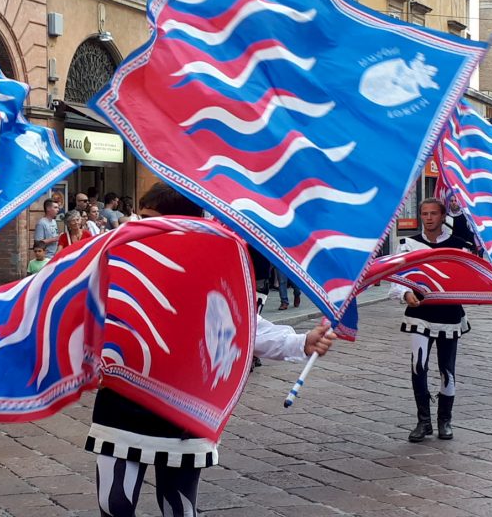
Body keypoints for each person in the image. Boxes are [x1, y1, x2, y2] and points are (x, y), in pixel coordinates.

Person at [87, 182, 336, 517]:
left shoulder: (210, 269)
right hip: (122, 401)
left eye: (149, 219)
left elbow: (239, 329)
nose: (138, 226)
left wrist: (301, 342)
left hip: (184, 407)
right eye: (138, 217)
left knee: (179, 509)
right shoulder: (118, 260)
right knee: (113, 506)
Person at [390, 198, 471, 443]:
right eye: (424, 213)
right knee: (418, 367)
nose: (428, 218)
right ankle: (423, 421)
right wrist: (404, 293)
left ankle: (445, 420)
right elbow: (396, 274)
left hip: (449, 314)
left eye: (433, 213)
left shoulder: (458, 244)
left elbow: (469, 274)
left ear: (442, 215)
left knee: (447, 370)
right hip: (420, 315)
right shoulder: (408, 244)